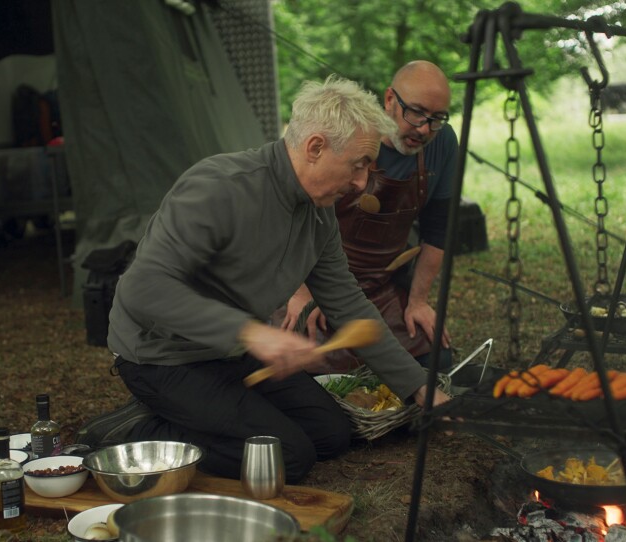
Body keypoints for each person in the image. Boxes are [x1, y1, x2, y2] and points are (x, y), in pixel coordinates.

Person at [75, 74, 451, 484]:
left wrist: (418, 387)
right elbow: (142, 290)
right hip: (163, 357)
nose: (362, 183)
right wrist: (253, 334)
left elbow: (348, 303)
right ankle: (133, 432)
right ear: (315, 147)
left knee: (332, 435)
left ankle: (197, 417)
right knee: (287, 457)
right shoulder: (220, 187)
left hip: (231, 354)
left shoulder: (318, 212)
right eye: (358, 165)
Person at [277, 60, 458, 373]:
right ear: (390, 99)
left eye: (437, 118)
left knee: (435, 361)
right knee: (303, 365)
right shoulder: (353, 133)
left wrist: (418, 301)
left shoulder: (441, 143)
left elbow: (439, 230)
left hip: (381, 286)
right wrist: (302, 291)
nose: (424, 128)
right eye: (415, 112)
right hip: (316, 279)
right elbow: (298, 211)